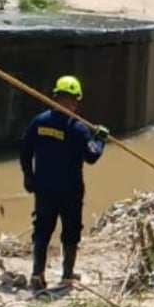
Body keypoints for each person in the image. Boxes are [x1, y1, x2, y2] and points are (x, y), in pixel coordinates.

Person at [20, 76, 110, 291]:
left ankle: (37, 273)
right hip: (70, 190)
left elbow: (25, 151)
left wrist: (28, 176)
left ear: (55, 96)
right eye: (75, 100)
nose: (75, 104)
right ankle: (67, 275)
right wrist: (100, 139)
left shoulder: (39, 122)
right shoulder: (78, 129)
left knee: (42, 229)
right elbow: (92, 157)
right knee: (70, 231)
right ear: (74, 100)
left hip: (44, 187)